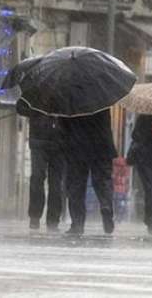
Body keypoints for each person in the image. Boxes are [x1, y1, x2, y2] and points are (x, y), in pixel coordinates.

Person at [59, 109, 117, 235]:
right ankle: (106, 205)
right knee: (103, 181)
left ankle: (77, 223)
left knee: (76, 185)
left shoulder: (72, 99)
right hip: (101, 145)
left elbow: (63, 125)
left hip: (77, 146)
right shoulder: (101, 97)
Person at [16, 99, 65, 232]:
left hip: (59, 143)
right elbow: (20, 107)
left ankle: (53, 220)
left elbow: (74, 114)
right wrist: (36, 111)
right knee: (38, 178)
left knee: (55, 182)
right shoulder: (36, 86)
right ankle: (35, 216)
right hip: (39, 140)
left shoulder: (66, 89)